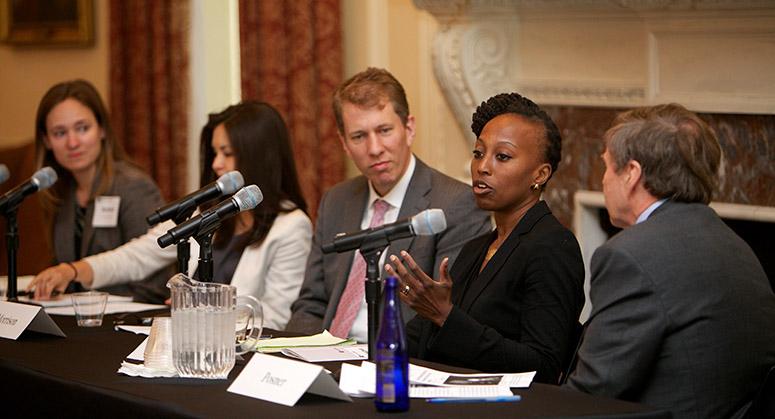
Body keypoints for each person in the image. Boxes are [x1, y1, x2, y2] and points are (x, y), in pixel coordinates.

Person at [564, 104, 775, 418]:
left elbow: (593, 393)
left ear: (631, 174)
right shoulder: (735, 244)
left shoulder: (630, 254)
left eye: (607, 167)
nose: (604, 180)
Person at [29, 101, 313, 330]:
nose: (216, 164)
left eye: (227, 153)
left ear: (258, 157)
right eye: (214, 153)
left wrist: (204, 314)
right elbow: (139, 254)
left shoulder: (290, 226)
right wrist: (73, 270)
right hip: (189, 345)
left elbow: (276, 319)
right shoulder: (210, 211)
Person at [386, 93, 585, 383]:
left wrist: (445, 316)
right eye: (479, 153)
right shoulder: (477, 247)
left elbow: (542, 365)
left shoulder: (553, 246)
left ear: (540, 175)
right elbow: (425, 334)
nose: (482, 167)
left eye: (502, 157)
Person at [285, 67, 491, 341]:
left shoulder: (454, 205)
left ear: (409, 128)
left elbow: (442, 317)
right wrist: (299, 360)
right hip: (325, 357)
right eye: (359, 136)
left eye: (384, 130)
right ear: (344, 143)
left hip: (394, 361)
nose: (374, 148)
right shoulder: (336, 201)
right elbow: (311, 303)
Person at [32, 79, 169, 303]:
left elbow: (153, 282)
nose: (73, 142)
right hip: (76, 319)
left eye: (82, 128)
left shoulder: (133, 186)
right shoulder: (60, 193)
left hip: (126, 321)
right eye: (59, 133)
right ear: (47, 141)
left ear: (102, 129)